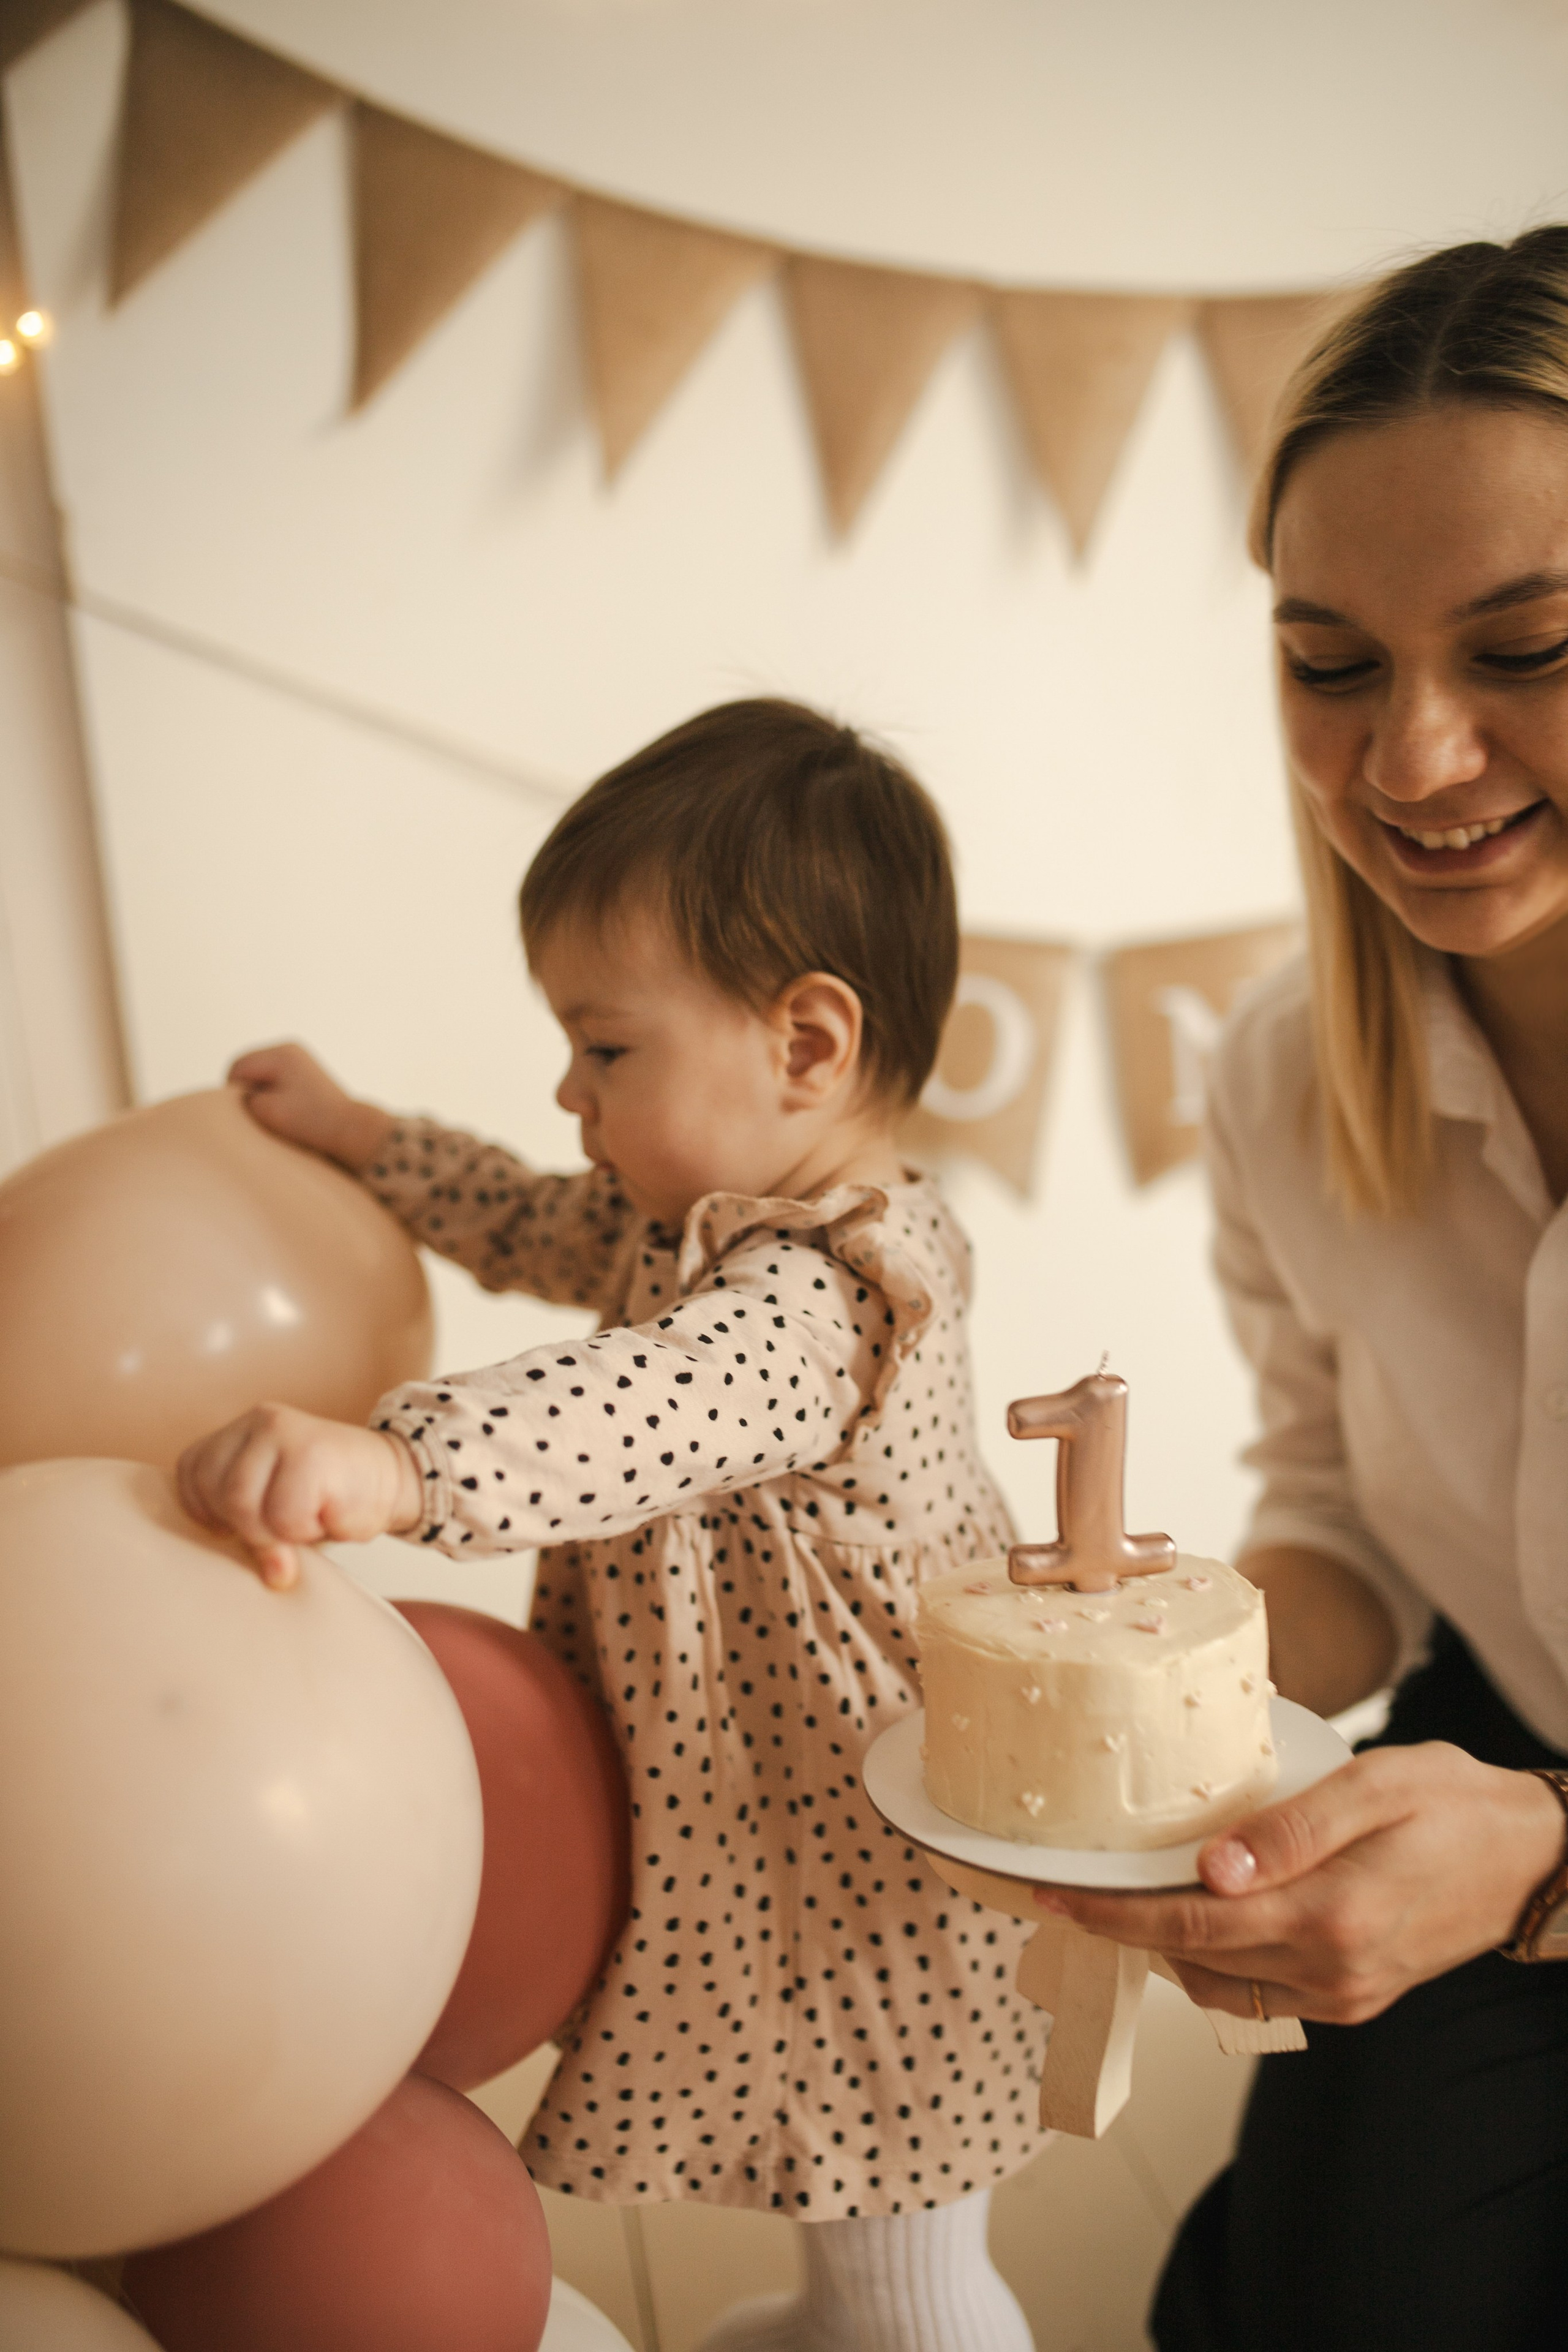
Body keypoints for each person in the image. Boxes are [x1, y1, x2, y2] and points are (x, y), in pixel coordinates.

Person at [178, 698, 1039, 2352]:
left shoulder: (818, 1294)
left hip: (880, 1863)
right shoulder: (708, 1219)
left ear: (807, 1045)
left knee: (912, 2262)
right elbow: (527, 1218)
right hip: (782, 1832)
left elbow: (639, 1408)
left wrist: (401, 1469)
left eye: (610, 1048)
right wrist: (366, 1140)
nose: (571, 1090)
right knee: (839, 2210)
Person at [1034, 231, 1568, 2351]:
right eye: (1331, 664)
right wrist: (1146, 1657)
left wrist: (1541, 1861)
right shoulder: (1277, 1071)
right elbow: (1341, 1517)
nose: (1414, 763)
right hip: (1493, 1757)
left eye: (1531, 645)